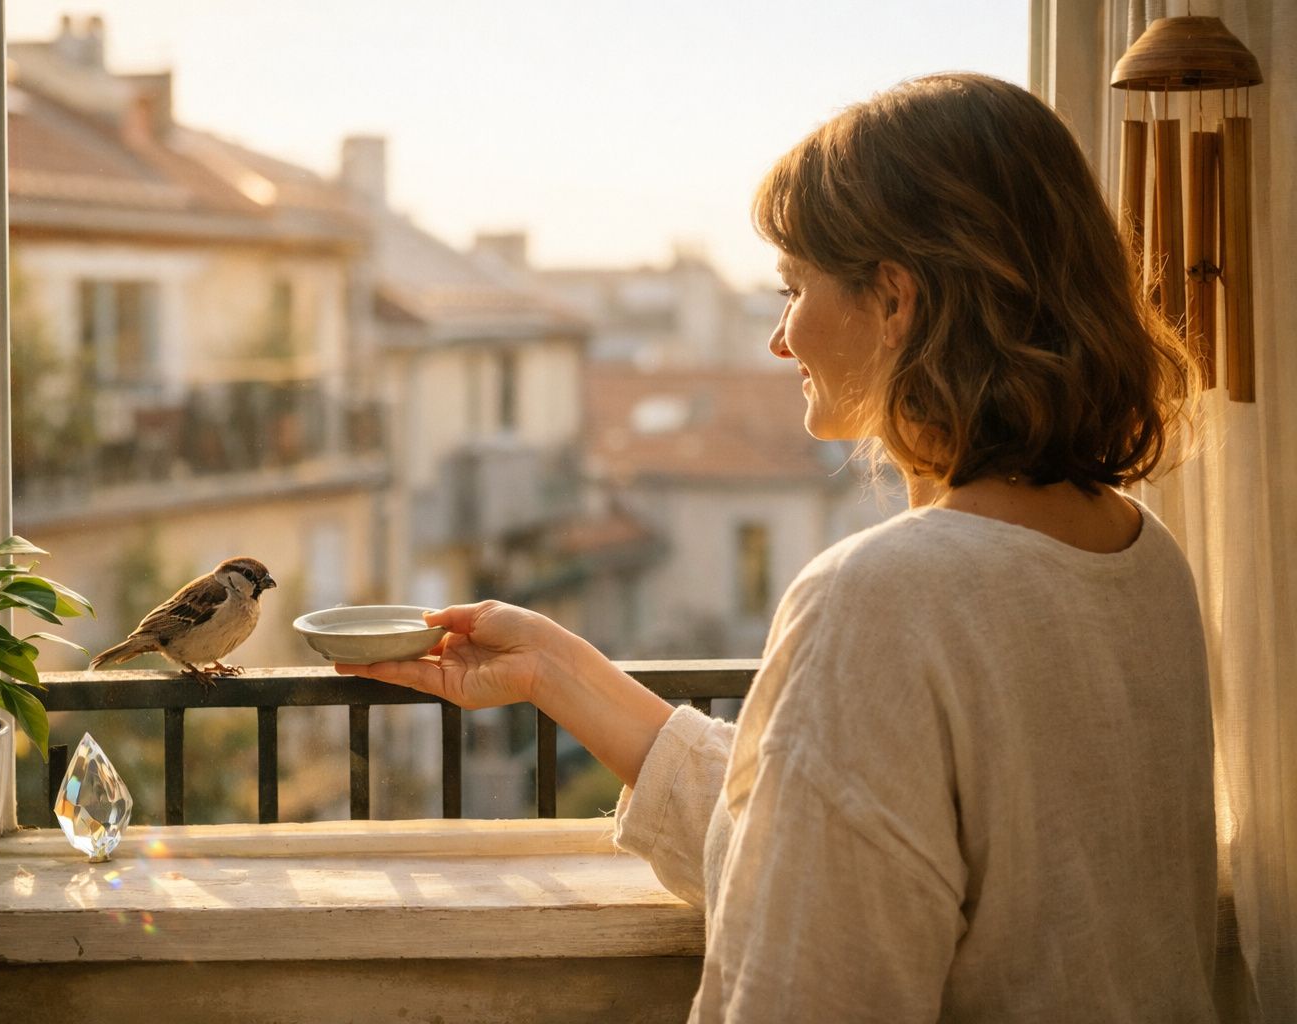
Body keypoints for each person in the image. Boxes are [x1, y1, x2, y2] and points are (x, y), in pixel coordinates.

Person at [338, 72, 1215, 1021]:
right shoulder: (1138, 554)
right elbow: (860, 850)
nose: (778, 339)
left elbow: (811, 971)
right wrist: (559, 673)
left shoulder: (886, 596)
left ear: (895, 304)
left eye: (793, 287)